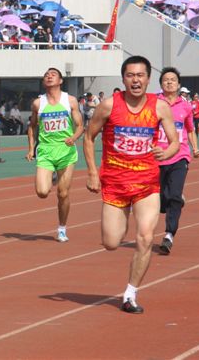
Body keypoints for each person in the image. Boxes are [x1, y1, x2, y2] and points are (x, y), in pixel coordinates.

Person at [83, 55, 179, 314]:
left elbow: (174, 142)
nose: (135, 80)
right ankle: (122, 219)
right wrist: (92, 172)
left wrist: (166, 153)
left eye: (140, 75)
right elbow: (89, 138)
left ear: (148, 79)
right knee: (111, 243)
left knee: (146, 237)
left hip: (147, 183)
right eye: (130, 75)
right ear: (123, 79)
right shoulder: (108, 106)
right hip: (115, 183)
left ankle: (130, 294)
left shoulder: (160, 107)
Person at [26, 68, 84, 242]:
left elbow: (80, 126)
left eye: (53, 74)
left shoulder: (70, 101)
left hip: (66, 151)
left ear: (60, 81)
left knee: (63, 194)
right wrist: (31, 148)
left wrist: (73, 137)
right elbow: (32, 126)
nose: (49, 76)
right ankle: (51, 176)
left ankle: (62, 229)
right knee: (42, 192)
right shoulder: (38, 103)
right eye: (46, 75)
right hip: (45, 151)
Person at [156, 68, 199, 255]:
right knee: (160, 199)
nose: (169, 82)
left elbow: (190, 129)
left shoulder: (186, 106)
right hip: (158, 156)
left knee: (173, 195)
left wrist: (195, 147)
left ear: (179, 84)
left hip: (180, 156)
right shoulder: (154, 103)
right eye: (166, 80)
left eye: (173, 80)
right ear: (161, 84)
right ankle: (174, 199)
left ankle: (169, 235)